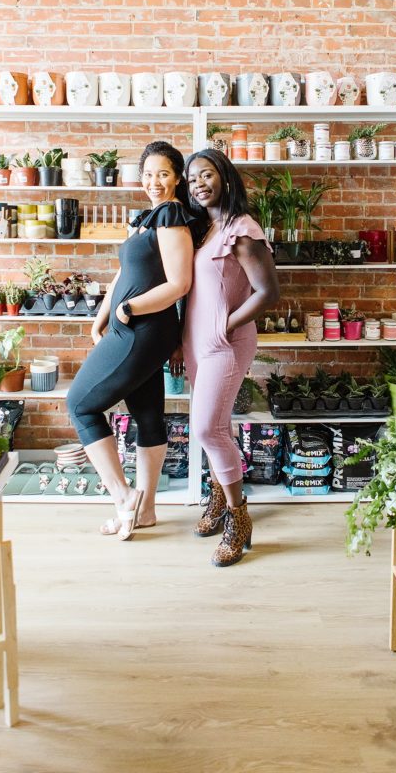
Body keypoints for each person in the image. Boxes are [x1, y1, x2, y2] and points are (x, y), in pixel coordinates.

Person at [66, 141, 195, 540]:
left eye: (163, 174)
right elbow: (122, 276)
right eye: (148, 174)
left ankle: (124, 497)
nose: (154, 181)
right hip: (134, 328)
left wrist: (128, 311)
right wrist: (101, 316)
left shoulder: (172, 217)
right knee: (148, 416)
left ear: (177, 178)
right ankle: (148, 510)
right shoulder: (147, 219)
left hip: (143, 329)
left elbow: (180, 283)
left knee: (80, 405)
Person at [180, 149, 279, 567]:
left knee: (206, 429)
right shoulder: (206, 229)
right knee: (217, 428)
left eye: (206, 175)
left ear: (225, 177)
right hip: (196, 342)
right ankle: (220, 498)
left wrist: (226, 325)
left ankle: (238, 519)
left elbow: (268, 292)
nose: (198, 184)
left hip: (226, 342)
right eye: (191, 179)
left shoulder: (241, 229)